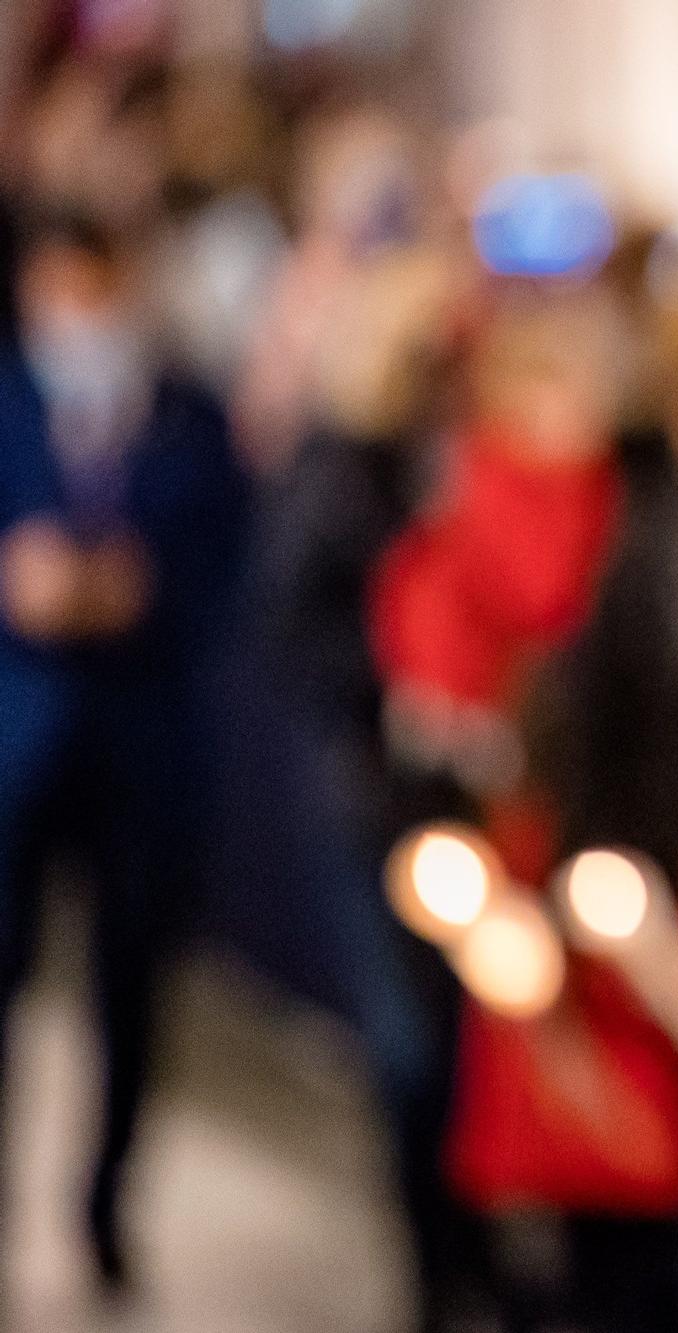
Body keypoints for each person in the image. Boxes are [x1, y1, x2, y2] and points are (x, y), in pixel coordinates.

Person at [0, 211, 249, 1288]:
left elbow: (234, 562)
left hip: (145, 743)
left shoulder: (191, 412)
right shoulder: (9, 397)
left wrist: (141, 590)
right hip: (20, 738)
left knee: (132, 990)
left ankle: (104, 1208)